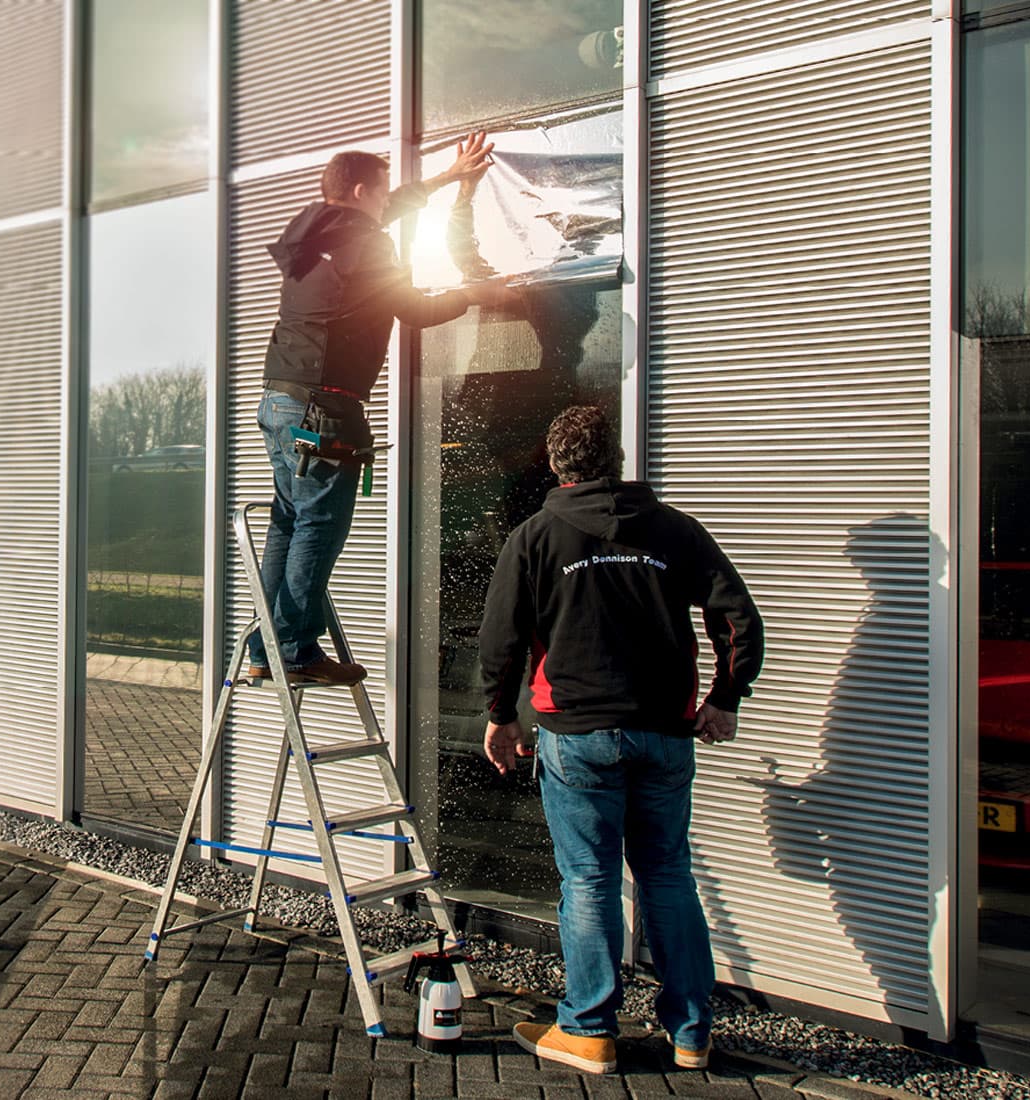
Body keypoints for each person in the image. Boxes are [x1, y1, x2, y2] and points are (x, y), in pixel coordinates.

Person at [477, 405, 764, 1074]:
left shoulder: (537, 535)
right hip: (664, 733)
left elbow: (501, 637)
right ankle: (692, 1033)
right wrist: (725, 698)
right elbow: (737, 619)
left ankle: (588, 1030)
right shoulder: (674, 531)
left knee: (589, 878)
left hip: (577, 736)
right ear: (617, 461)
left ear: (555, 464)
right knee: (668, 874)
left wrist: (500, 713)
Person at [247, 133, 514, 685]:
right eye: (382, 192)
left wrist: (447, 177)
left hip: (278, 398)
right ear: (364, 191)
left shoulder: (312, 229)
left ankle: (267, 645)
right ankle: (294, 651)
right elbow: (413, 308)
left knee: (289, 521)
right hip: (323, 407)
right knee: (319, 523)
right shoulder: (367, 245)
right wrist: (475, 294)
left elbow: (385, 208)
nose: (387, 203)